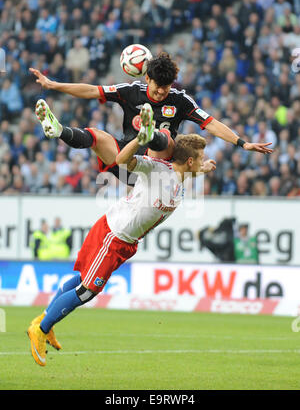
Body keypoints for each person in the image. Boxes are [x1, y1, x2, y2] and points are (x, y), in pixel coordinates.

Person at [27, 125, 217, 366]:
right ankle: (41, 329)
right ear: (190, 160)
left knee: (82, 279)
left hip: (126, 241)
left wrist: (203, 169)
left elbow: (187, 172)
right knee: (88, 290)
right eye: (200, 159)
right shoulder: (157, 169)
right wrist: (140, 139)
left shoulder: (181, 176)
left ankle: (47, 320)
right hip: (114, 235)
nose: (202, 162)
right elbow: (122, 159)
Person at [29, 52, 273, 185]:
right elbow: (93, 90)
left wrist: (242, 143)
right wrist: (53, 85)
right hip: (126, 165)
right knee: (96, 135)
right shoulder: (130, 91)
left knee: (166, 137)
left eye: (166, 88)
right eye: (157, 87)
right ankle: (58, 131)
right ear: (147, 79)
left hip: (158, 170)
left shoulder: (180, 100)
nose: (161, 92)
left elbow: (211, 123)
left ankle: (150, 133)